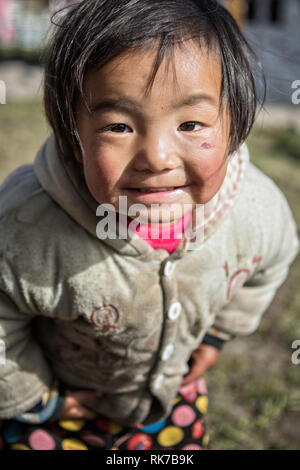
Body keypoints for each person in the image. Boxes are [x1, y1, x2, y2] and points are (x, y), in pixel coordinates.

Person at [0, 0, 298, 451]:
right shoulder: (26, 228)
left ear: (235, 123)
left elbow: (271, 261)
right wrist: (36, 396)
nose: (156, 157)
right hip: (64, 409)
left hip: (171, 400)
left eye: (192, 123)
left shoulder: (255, 212)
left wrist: (219, 334)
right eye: (118, 126)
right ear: (71, 136)